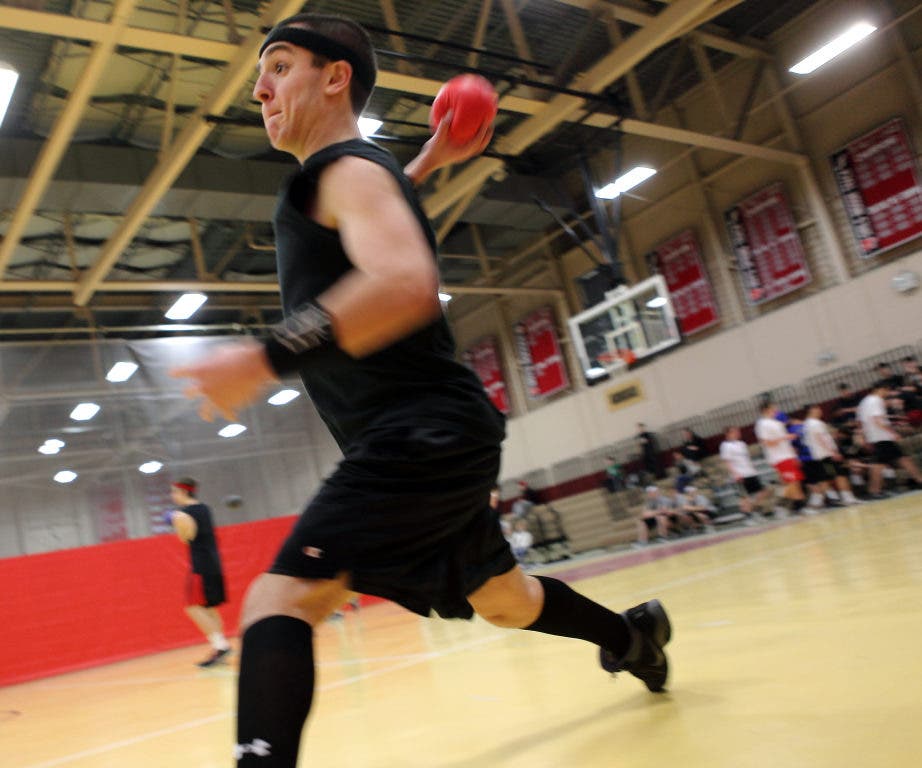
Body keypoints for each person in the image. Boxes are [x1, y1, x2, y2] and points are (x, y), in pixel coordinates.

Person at [170, 13, 671, 766]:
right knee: (505, 600)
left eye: (277, 67)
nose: (259, 90)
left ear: (334, 75)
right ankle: (633, 637)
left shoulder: (339, 171)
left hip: (417, 430)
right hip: (434, 430)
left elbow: (403, 283)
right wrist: (431, 158)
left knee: (282, 600)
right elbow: (374, 217)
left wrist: (266, 357)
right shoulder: (357, 174)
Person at [167, 477, 231, 668]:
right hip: (214, 562)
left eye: (174, 492)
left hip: (200, 566)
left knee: (193, 607)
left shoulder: (182, 514)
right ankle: (220, 647)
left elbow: (186, 538)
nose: (172, 496)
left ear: (183, 492)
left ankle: (221, 646)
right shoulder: (205, 508)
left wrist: (175, 521)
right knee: (209, 607)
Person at [857, 381, 922, 499]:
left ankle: (919, 480)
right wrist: (892, 432)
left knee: (902, 459)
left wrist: (864, 437)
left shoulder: (864, 402)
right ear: (881, 389)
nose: (887, 393)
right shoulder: (876, 400)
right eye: (886, 390)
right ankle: (873, 491)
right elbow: (877, 420)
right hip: (882, 437)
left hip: (876, 437)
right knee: (879, 465)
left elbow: (863, 422)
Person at [755, 398, 806, 514]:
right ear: (766, 409)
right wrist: (785, 437)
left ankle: (797, 506)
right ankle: (785, 503)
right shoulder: (762, 424)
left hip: (788, 456)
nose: (776, 409)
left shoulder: (777, 423)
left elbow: (784, 441)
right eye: (773, 407)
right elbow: (766, 442)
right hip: (779, 457)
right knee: (792, 482)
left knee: (796, 482)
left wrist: (793, 454)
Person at [802, 404, 860, 506]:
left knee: (831, 477)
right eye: (818, 408)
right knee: (839, 476)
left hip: (821, 456)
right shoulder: (815, 423)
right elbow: (820, 439)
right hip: (827, 455)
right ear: (812, 410)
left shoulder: (806, 425)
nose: (820, 411)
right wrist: (833, 452)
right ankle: (847, 499)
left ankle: (835, 500)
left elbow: (809, 442)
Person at [719, 426, 772, 519]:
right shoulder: (725, 446)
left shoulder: (742, 444)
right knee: (744, 497)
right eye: (734, 431)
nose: (737, 433)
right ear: (728, 434)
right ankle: (748, 516)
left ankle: (752, 508)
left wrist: (753, 469)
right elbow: (727, 462)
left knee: (763, 492)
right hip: (740, 475)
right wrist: (735, 474)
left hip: (750, 472)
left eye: (737, 431)